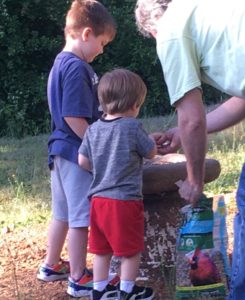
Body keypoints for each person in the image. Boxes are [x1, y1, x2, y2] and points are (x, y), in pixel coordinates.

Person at [135, 0, 245, 299]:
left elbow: (192, 119)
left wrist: (194, 180)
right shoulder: (213, 10)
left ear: (152, 25)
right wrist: (180, 134)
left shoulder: (171, 28)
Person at [36, 0, 116, 297]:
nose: (102, 50)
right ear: (86, 33)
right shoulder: (78, 68)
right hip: (74, 152)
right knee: (82, 218)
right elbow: (73, 115)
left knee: (63, 214)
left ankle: (51, 265)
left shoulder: (60, 63)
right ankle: (79, 277)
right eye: (102, 42)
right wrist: (95, 145)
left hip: (58, 151)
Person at [78, 68, 157, 300]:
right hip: (124, 201)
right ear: (134, 105)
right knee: (130, 251)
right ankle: (127, 291)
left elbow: (82, 160)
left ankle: (99, 290)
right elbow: (151, 152)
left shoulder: (93, 129)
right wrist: (152, 140)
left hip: (98, 201)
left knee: (102, 250)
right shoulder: (132, 127)